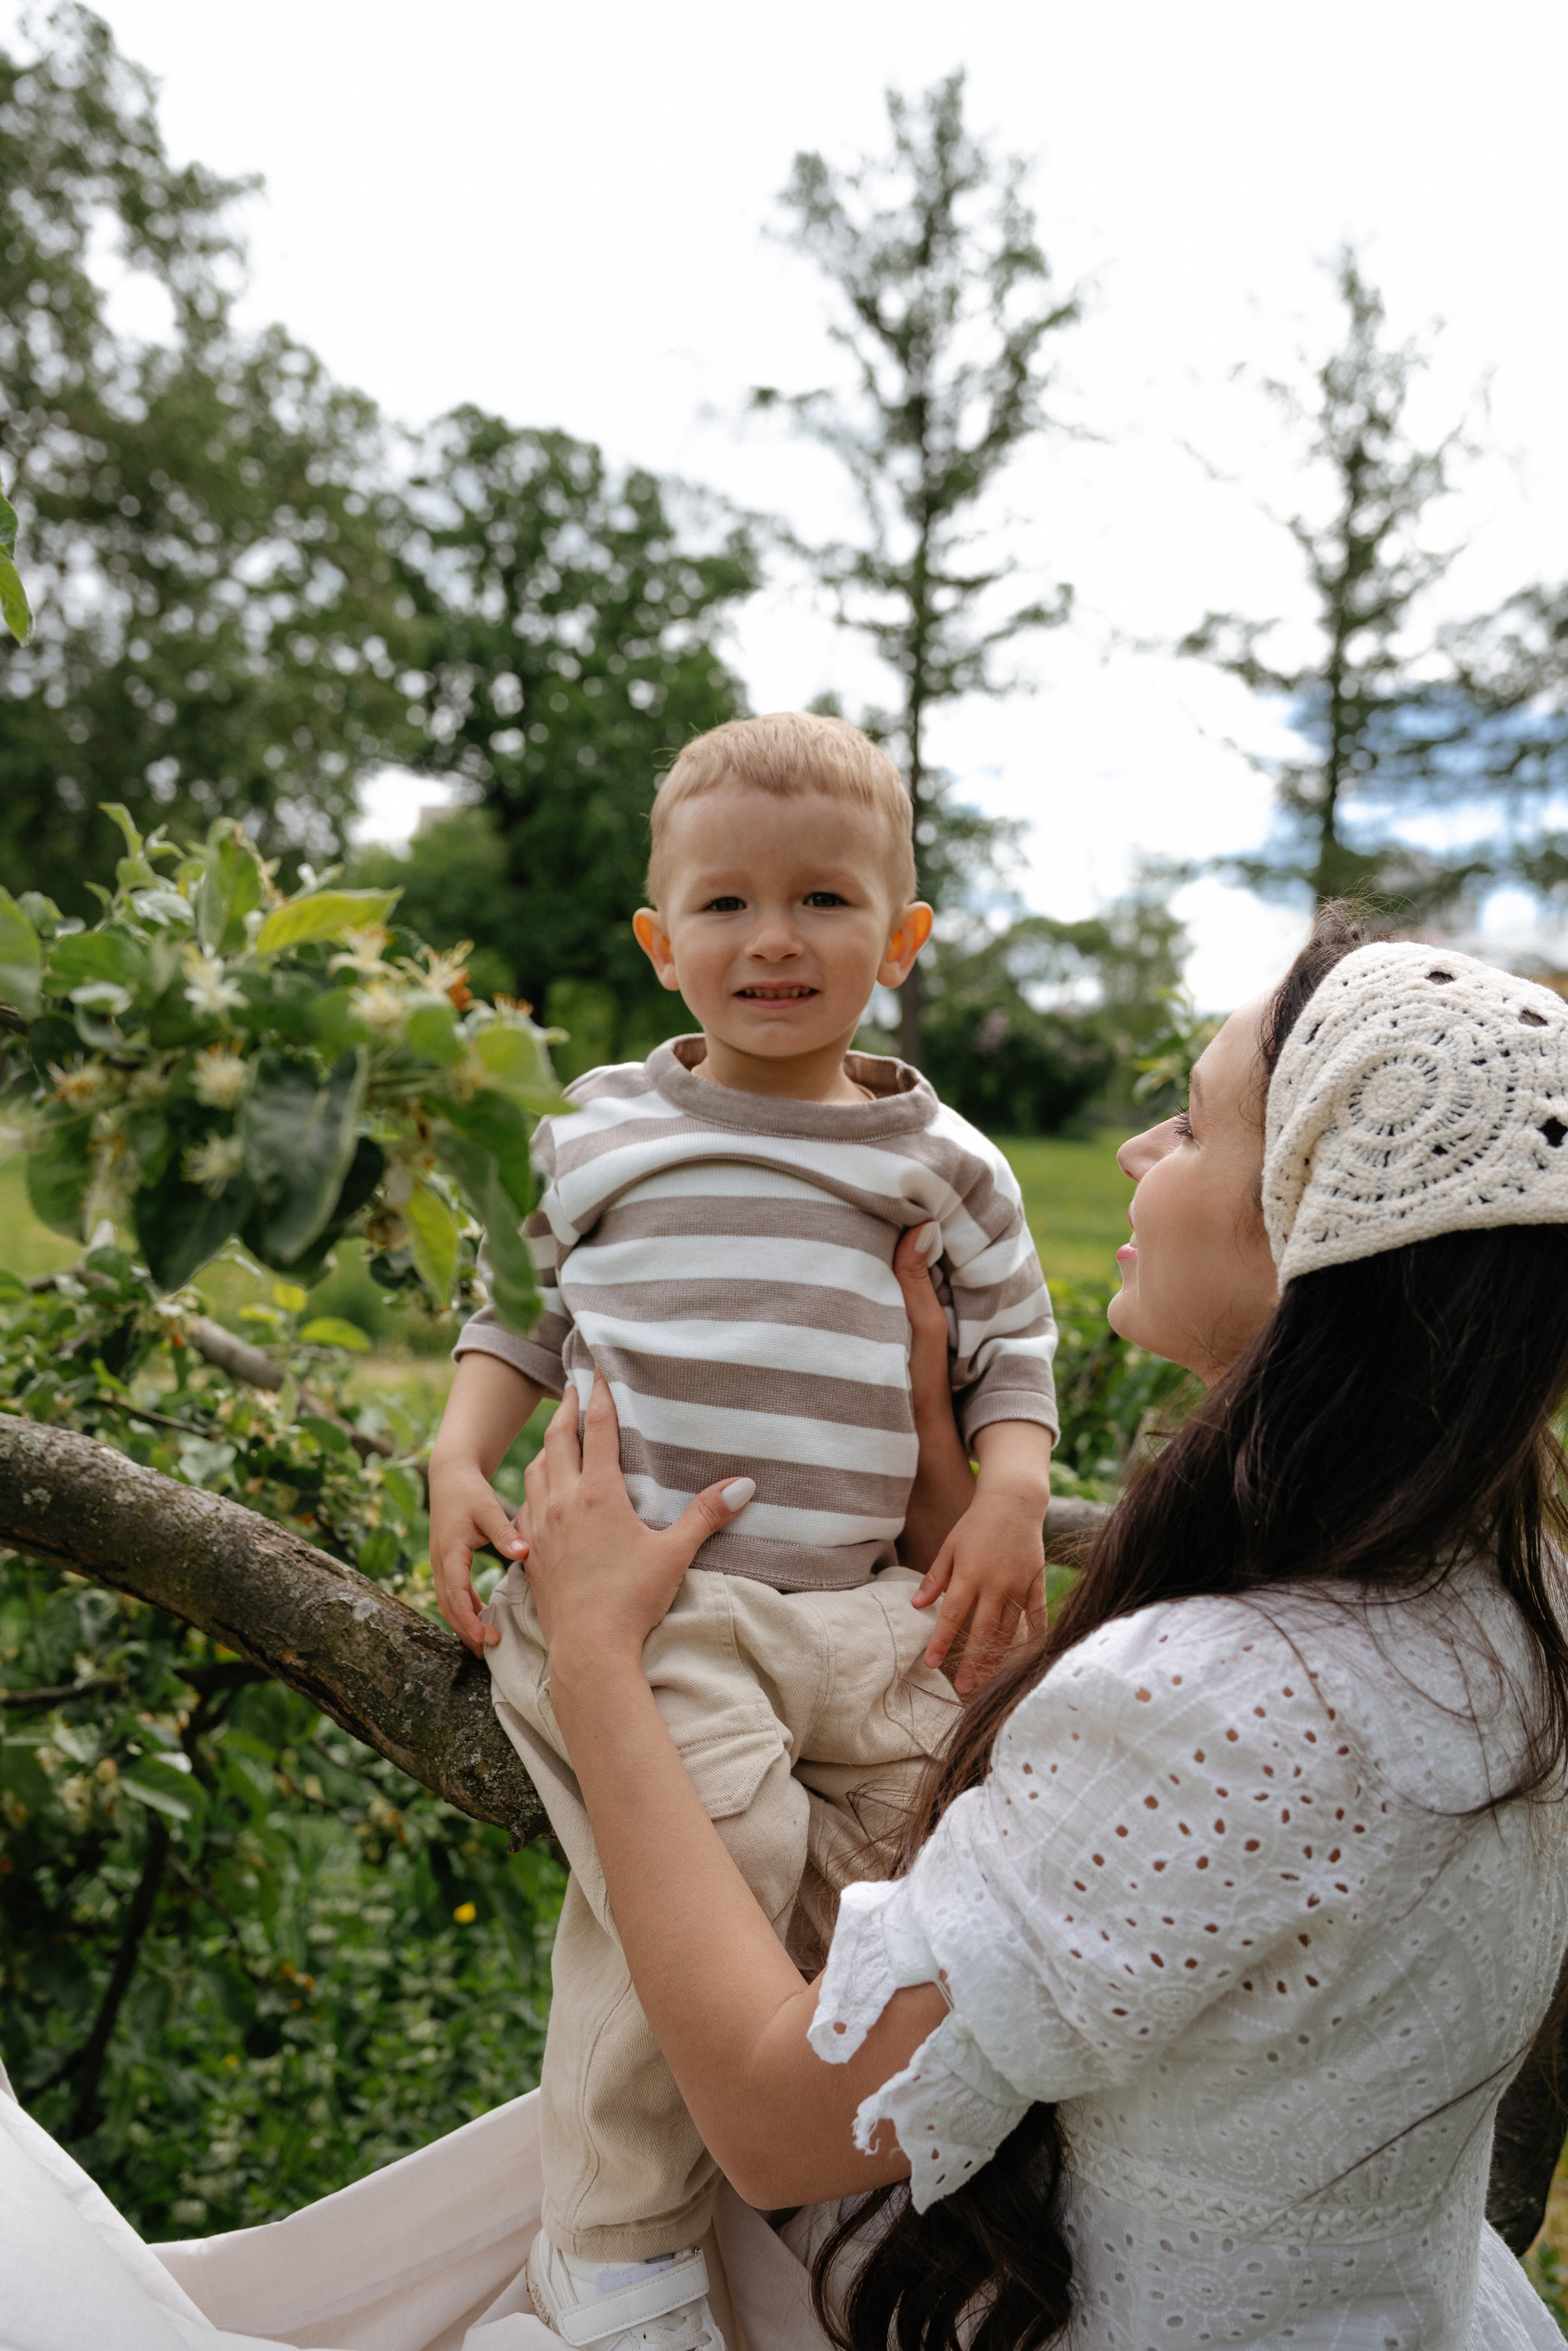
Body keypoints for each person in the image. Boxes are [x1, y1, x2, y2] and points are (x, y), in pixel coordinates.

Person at [510, 909, 1568, 2350]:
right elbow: (1153, 1872)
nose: (1137, 1151)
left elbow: (773, 2123)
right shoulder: (1514, 1605)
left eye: (1190, 1126)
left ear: (1310, 1228)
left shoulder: (1236, 1697)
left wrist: (592, 1660)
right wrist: (944, 1455)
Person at [426, 712, 1059, 2350]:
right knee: (726, 1856)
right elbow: (516, 1320)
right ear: (659, 942)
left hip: (853, 1608)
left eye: (824, 900)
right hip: (646, 1599)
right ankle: (612, 2246)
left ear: (902, 939)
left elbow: (1014, 1361)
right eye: (724, 906)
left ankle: (890, 2200)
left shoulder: (946, 1164)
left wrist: (1005, 1491)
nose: (773, 937)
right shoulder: (592, 1132)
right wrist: (453, 1451)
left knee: (957, 1840)